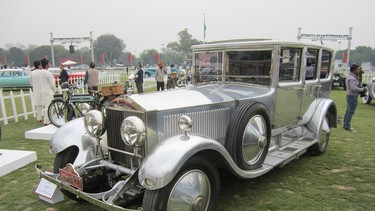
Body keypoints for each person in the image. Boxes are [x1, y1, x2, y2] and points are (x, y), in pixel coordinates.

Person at [30, 58, 56, 125]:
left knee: (39, 104)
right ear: (47, 65)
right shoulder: (48, 73)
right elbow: (52, 83)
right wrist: (55, 90)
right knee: (48, 106)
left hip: (40, 90)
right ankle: (47, 121)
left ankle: (40, 118)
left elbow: (31, 83)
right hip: (48, 91)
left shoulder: (38, 73)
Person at [343, 64, 366, 132]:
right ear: (354, 70)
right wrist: (362, 90)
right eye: (357, 69)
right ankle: (347, 126)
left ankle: (345, 124)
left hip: (350, 96)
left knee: (348, 111)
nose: (359, 71)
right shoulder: (352, 78)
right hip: (352, 96)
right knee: (351, 112)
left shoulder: (352, 77)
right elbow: (353, 88)